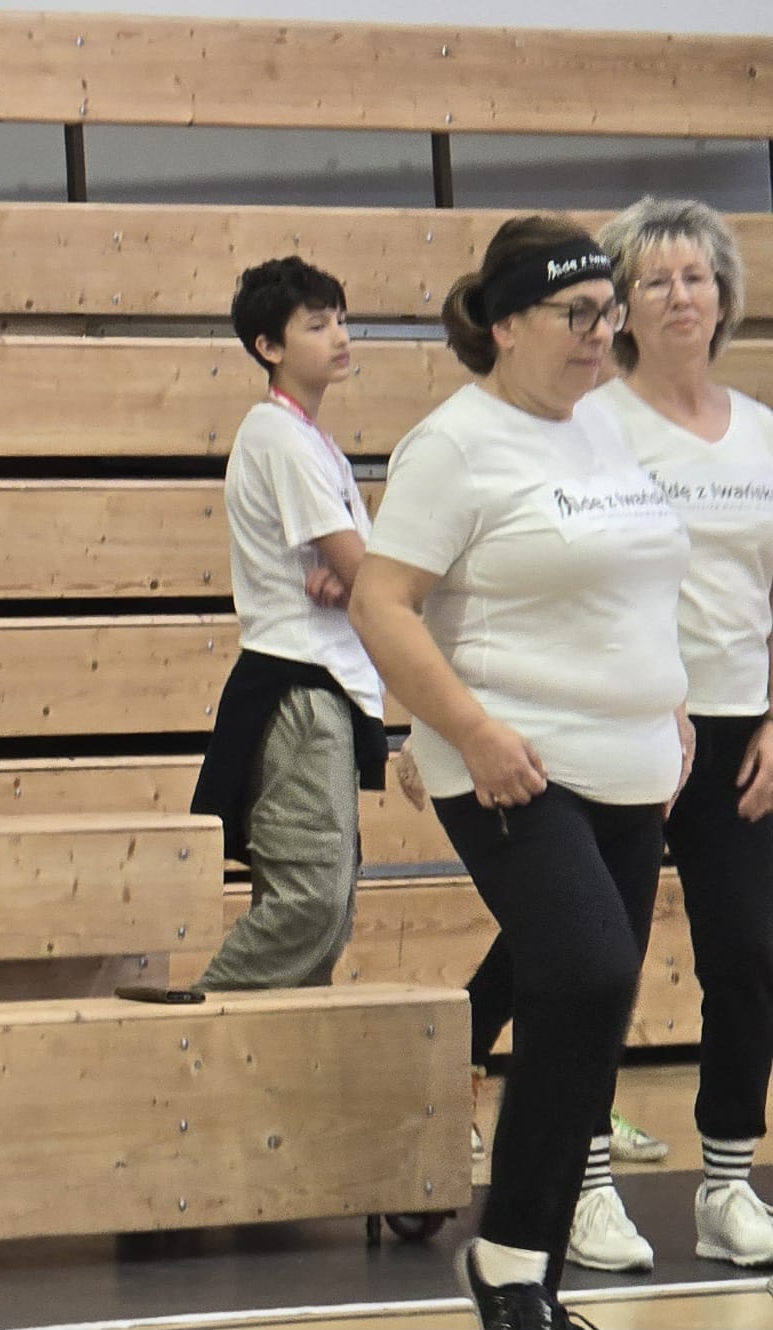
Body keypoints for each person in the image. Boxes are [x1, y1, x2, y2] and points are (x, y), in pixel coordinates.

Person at [347, 215, 690, 1328]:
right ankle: (510, 1256)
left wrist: (672, 699)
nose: (601, 332)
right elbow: (380, 604)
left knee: (584, 1002)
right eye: (576, 313)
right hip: (513, 765)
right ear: (503, 325)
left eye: (608, 312)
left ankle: (519, 1272)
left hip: (633, 765)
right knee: (586, 972)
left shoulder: (606, 424)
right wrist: (471, 730)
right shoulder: (454, 445)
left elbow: (635, 576)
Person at [512, 196, 773, 1275]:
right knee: (596, 965)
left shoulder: (761, 429)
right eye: (655, 280)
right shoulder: (595, 422)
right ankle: (584, 1187)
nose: (680, 296)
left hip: (740, 736)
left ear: (724, 295)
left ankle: (728, 1183)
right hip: (621, 727)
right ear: (620, 304)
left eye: (696, 276)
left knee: (750, 955)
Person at [185, 258, 387, 991]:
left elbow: (365, 571)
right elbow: (371, 573)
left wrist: (362, 576)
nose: (339, 336)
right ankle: (193, 1033)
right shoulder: (280, 435)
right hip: (300, 686)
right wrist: (363, 577)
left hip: (321, 681)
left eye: (341, 320)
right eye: (317, 324)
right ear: (268, 346)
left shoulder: (309, 439)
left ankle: (251, 1053)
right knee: (310, 902)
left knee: (327, 915)